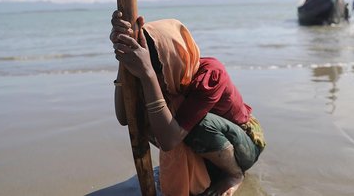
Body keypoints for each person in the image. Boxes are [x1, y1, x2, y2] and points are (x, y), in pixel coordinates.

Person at [110, 11, 265, 196]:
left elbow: (169, 140)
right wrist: (124, 62)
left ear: (171, 59)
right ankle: (201, 168)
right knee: (150, 115)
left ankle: (234, 175)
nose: (158, 79)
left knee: (199, 125)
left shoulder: (210, 74)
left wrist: (147, 75)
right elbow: (125, 118)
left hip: (242, 146)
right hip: (207, 149)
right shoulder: (167, 82)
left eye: (158, 72)